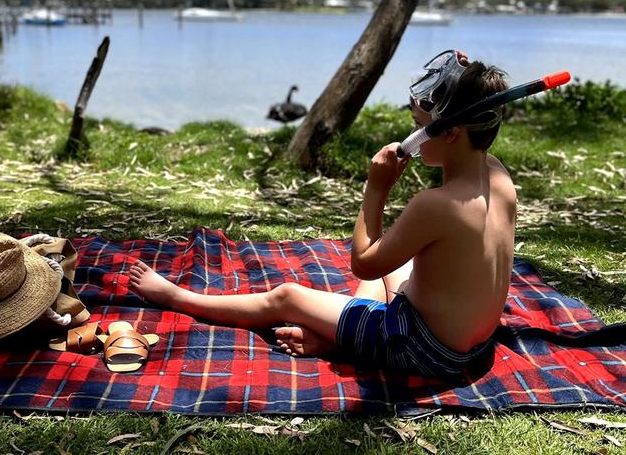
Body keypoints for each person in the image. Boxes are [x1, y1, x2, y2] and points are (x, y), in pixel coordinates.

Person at [129, 50, 515, 378]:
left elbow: (363, 262)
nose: (412, 133)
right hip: (474, 345)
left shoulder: (436, 204)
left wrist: (376, 188)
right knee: (395, 267)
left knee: (288, 297)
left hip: (424, 351)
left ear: (450, 133)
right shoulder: (498, 175)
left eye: (419, 126)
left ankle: (179, 297)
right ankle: (339, 331)